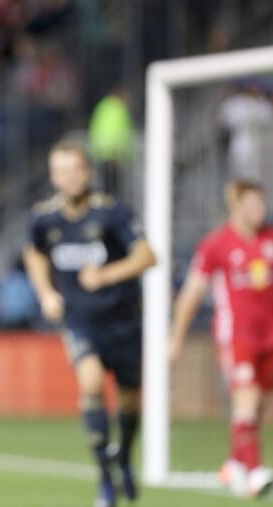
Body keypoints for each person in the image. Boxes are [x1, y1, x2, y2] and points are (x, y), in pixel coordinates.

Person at [24, 140, 156, 507]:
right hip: (81, 322)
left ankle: (125, 456)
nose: (69, 177)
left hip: (124, 322)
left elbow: (148, 256)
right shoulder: (44, 218)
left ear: (89, 172)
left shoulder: (112, 213)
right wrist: (46, 293)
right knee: (92, 382)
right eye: (61, 170)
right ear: (53, 176)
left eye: (76, 169)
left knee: (130, 401)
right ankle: (105, 480)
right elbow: (33, 253)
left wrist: (107, 274)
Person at [170, 180, 273, 498]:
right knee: (246, 398)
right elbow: (191, 295)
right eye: (253, 204)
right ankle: (256, 473)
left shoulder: (269, 240)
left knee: (257, 406)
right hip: (235, 336)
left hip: (269, 336)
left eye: (262, 203)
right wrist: (176, 337)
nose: (261, 210)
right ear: (236, 206)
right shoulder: (217, 245)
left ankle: (234, 463)